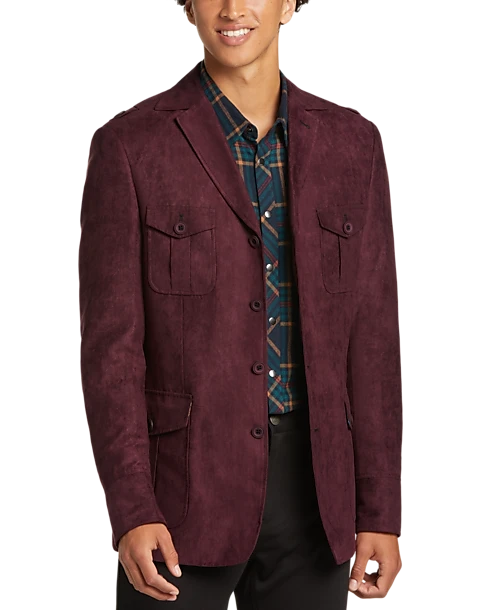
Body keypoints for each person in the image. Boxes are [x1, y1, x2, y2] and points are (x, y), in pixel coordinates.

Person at [78, 0, 403, 608]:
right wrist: (131, 508)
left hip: (317, 499)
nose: (232, 8)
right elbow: (110, 353)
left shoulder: (352, 146)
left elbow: (374, 343)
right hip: (179, 498)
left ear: (289, 3)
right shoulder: (130, 147)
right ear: (188, 5)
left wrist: (380, 508)